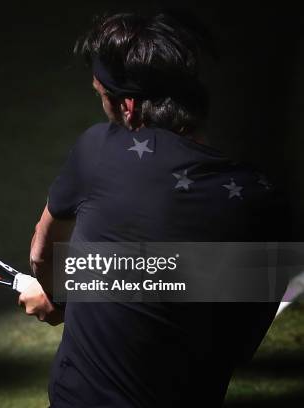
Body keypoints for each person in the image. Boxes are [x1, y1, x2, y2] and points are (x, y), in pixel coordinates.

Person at [18, 12, 284, 407]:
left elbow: (44, 254)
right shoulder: (266, 198)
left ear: (127, 106)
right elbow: (240, 344)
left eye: (100, 95)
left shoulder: (97, 150)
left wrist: (62, 296)